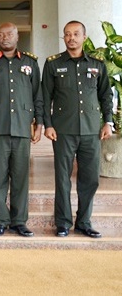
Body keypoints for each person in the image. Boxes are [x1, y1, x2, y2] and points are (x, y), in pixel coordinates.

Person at [42, 20, 113, 238]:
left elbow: (105, 95)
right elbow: (45, 97)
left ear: (84, 36)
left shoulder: (97, 64)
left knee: (90, 178)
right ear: (63, 38)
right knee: (62, 178)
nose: (71, 38)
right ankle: (63, 223)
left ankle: (84, 222)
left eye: (75, 34)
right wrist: (48, 124)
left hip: (92, 131)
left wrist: (108, 122)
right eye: (67, 34)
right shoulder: (53, 64)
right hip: (63, 130)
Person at [0, 22, 43, 237]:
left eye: (9, 34)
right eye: (0, 34)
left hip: (22, 127)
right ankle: (1, 220)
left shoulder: (30, 62)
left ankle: (19, 221)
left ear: (17, 36)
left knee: (21, 177)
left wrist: (39, 123)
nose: (5, 38)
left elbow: (37, 95)